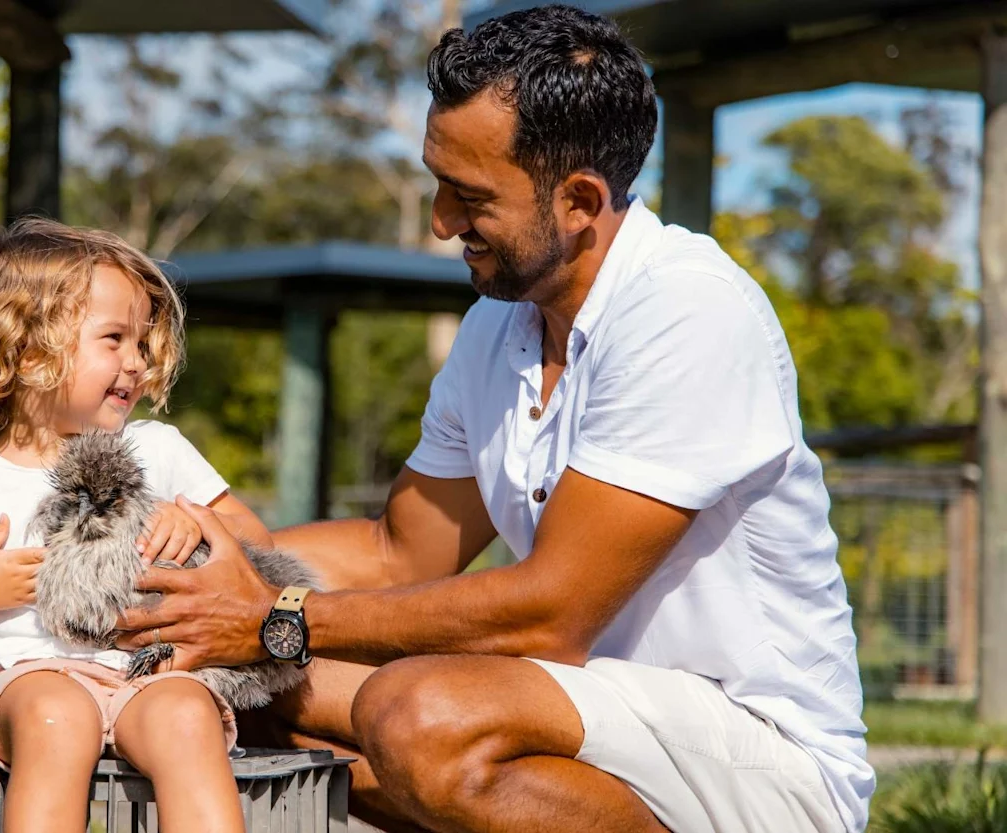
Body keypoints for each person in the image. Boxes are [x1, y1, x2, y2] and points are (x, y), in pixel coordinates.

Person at [113, 6, 876, 833]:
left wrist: (272, 618)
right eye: (436, 181)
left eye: (469, 195)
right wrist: (194, 573)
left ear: (581, 200)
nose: (441, 220)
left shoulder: (687, 310)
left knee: (419, 713)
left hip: (759, 763)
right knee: (233, 693)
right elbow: (396, 551)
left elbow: (550, 613)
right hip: (577, 717)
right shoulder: (498, 326)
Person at [0, 218, 273, 833]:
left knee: (187, 719)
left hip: (150, 673)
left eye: (142, 343)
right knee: (58, 716)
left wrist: (194, 520)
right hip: (27, 682)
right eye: (113, 339)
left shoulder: (156, 449)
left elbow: (257, 540)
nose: (136, 363)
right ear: (27, 350)